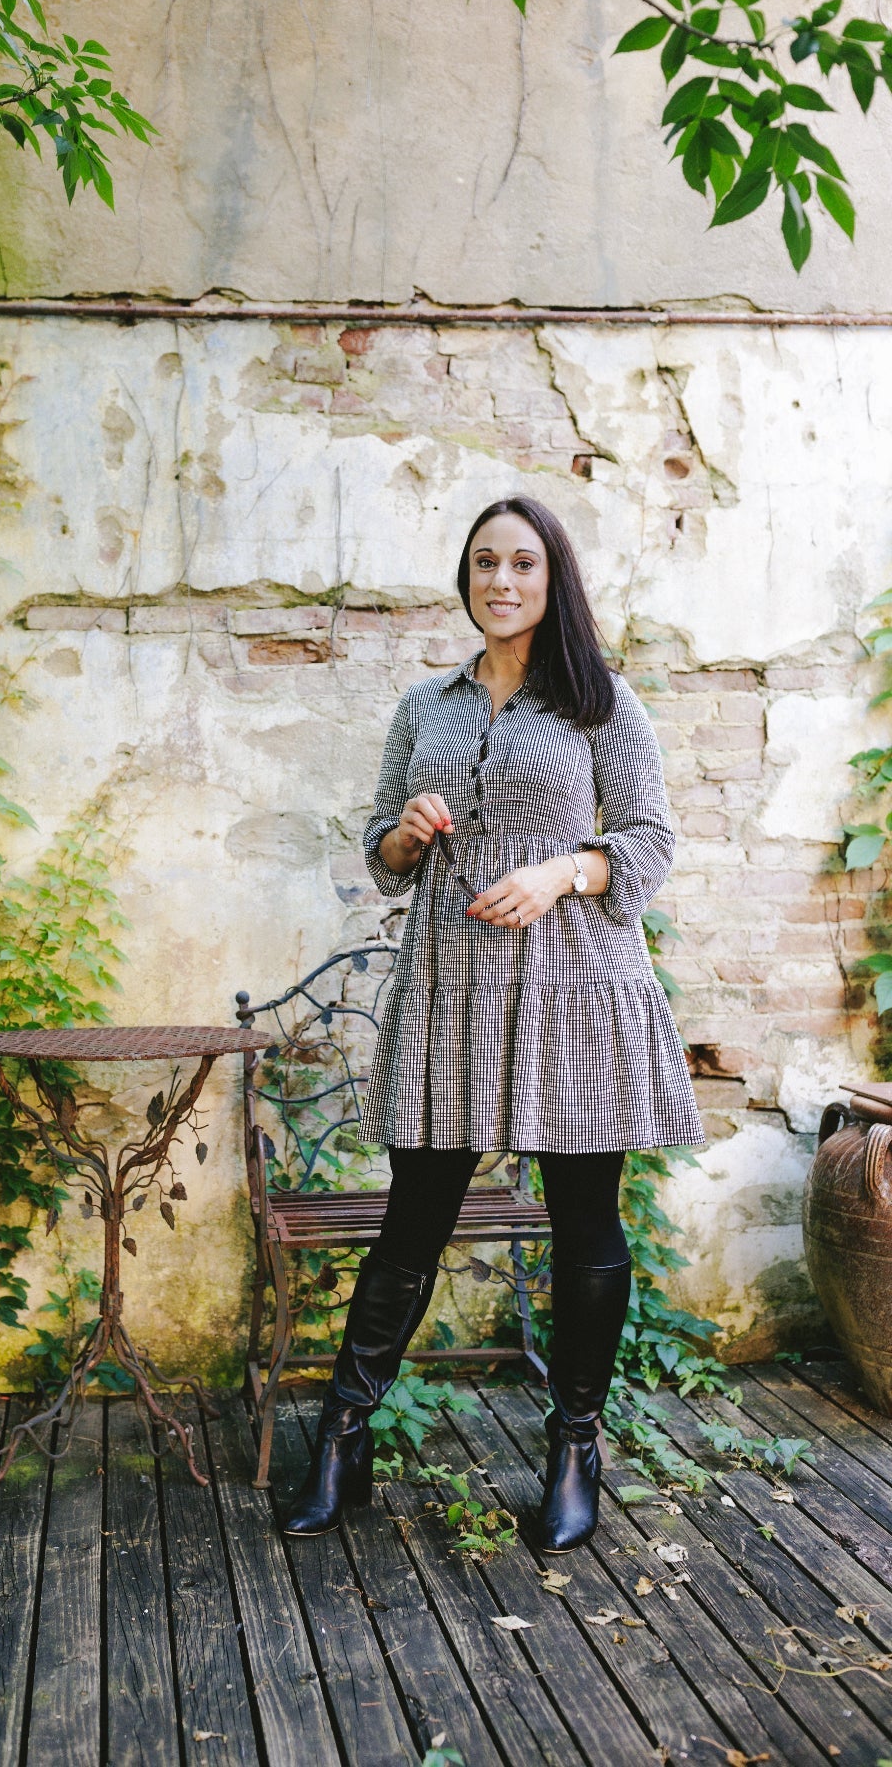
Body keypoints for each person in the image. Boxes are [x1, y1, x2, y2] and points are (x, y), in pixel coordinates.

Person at [281, 494, 704, 1551]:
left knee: (584, 1226)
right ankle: (344, 1433)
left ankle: (573, 1445)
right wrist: (405, 838)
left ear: (553, 579)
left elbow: (649, 843)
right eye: (484, 564)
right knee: (413, 1217)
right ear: (464, 578)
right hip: (452, 990)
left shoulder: (604, 704)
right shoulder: (426, 706)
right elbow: (380, 842)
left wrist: (566, 869)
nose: (501, 582)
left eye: (522, 564)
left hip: (577, 992)